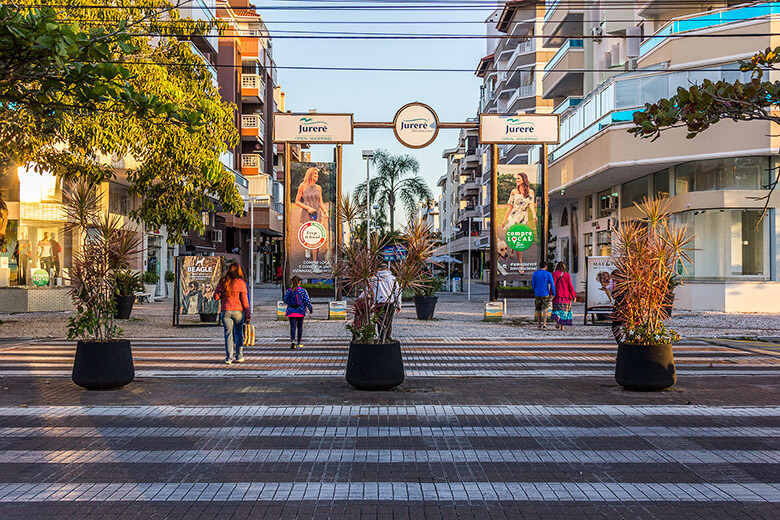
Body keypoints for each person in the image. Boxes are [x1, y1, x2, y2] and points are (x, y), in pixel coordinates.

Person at [214, 263, 251, 365]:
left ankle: (229, 358)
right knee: (239, 333)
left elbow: (216, 297)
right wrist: (248, 315)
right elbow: (245, 301)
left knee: (228, 334)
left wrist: (218, 291)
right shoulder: (241, 282)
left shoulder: (223, 281)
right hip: (238, 311)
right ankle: (239, 356)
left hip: (226, 311)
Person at [501, 172, 536, 263]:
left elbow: (531, 204)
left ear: (524, 180)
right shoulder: (513, 191)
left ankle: (512, 251)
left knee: (518, 238)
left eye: (518, 178)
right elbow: (509, 206)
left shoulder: (530, 192)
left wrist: (534, 214)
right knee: (517, 238)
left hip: (523, 216)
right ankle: (521, 264)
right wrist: (504, 220)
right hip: (513, 216)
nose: (516, 180)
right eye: (516, 178)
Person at [294, 166, 326, 264]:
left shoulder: (319, 188)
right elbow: (297, 201)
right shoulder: (302, 186)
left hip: (317, 214)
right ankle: (307, 247)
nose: (317, 176)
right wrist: (308, 208)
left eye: (318, 174)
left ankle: (314, 263)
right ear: (310, 174)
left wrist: (325, 212)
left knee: (317, 238)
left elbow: (321, 202)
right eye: (315, 173)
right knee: (308, 235)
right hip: (307, 213)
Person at [370, 264, 401, 341]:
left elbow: (370, 291)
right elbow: (397, 292)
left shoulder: (374, 279)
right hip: (390, 303)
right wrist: (398, 305)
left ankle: (381, 337)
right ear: (387, 269)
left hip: (379, 303)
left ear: (380, 269)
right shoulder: (393, 279)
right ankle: (387, 337)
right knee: (389, 321)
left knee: (379, 321)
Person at [283, 276, 313, 349]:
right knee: (300, 327)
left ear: (292, 282)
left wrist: (290, 304)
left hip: (291, 311)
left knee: (292, 326)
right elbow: (307, 301)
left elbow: (285, 300)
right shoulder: (302, 291)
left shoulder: (289, 290)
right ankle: (299, 342)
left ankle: (293, 341)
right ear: (300, 282)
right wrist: (310, 309)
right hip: (300, 310)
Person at [531, 261, 556, 330]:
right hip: (545, 294)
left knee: (538, 309)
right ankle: (544, 324)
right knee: (545, 309)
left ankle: (539, 324)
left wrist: (535, 290)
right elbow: (552, 284)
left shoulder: (535, 274)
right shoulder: (548, 274)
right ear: (546, 266)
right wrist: (553, 293)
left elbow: (533, 284)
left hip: (537, 293)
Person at [552, 262, 576, 330]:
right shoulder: (567, 275)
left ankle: (557, 321)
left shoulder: (554, 274)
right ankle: (562, 327)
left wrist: (552, 294)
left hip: (557, 296)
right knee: (564, 312)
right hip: (566, 297)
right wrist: (574, 296)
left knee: (557, 310)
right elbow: (570, 286)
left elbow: (553, 285)